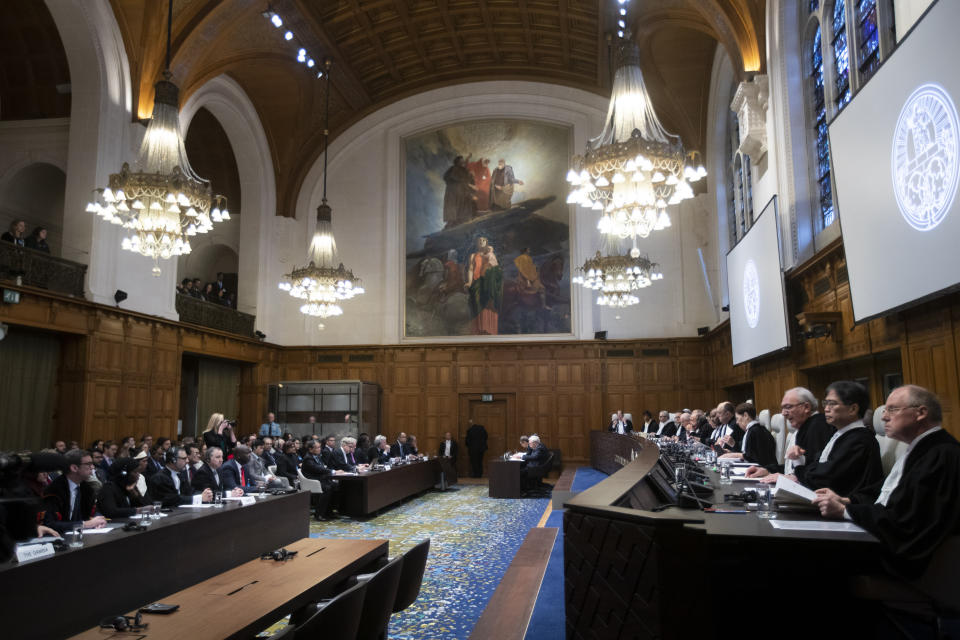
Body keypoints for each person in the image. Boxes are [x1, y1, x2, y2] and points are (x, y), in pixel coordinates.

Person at [813, 385, 960, 578]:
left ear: (921, 413)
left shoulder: (941, 455)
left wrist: (845, 511)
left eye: (892, 409)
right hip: (886, 540)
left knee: (816, 555)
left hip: (904, 559)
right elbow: (886, 491)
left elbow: (906, 519)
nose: (883, 417)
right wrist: (847, 500)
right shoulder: (920, 448)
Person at [752, 381, 883, 498]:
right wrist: (772, 470)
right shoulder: (841, 435)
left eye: (832, 404)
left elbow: (821, 480)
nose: (826, 408)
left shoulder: (858, 440)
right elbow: (816, 468)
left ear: (853, 409)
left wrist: (798, 466)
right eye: (825, 403)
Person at [41, 450, 107, 533]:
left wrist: (98, 519)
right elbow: (50, 524)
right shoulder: (54, 490)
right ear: (74, 468)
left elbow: (94, 511)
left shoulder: (86, 488)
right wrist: (84, 524)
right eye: (88, 464)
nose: (93, 467)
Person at [719, 403, 778, 470]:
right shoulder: (753, 430)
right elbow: (749, 453)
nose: (737, 422)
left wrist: (733, 455)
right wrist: (731, 452)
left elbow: (755, 458)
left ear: (745, 415)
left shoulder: (755, 431)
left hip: (764, 471)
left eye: (738, 418)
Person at [148, 447, 212, 507]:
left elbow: (189, 492)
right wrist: (200, 497)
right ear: (173, 460)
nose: (187, 461)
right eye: (184, 458)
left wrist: (205, 494)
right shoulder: (159, 478)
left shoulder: (180, 475)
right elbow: (173, 499)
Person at [465, 236, 502, 335]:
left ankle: (489, 328)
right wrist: (469, 282)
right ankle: (478, 328)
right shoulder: (473, 255)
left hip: (489, 282)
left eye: (483, 240)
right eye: (479, 241)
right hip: (477, 282)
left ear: (487, 242)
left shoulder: (490, 254)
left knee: (490, 303)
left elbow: (496, 267)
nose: (481, 242)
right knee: (476, 302)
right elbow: (471, 269)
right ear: (477, 243)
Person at [442, 155, 477, 227]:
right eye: (461, 161)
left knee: (463, 206)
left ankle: (461, 220)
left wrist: (470, 176)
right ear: (457, 162)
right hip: (453, 192)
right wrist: (458, 181)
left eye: (463, 161)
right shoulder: (453, 169)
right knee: (454, 206)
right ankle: (453, 221)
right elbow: (446, 177)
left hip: (462, 191)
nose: (463, 162)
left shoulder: (464, 170)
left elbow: (467, 179)